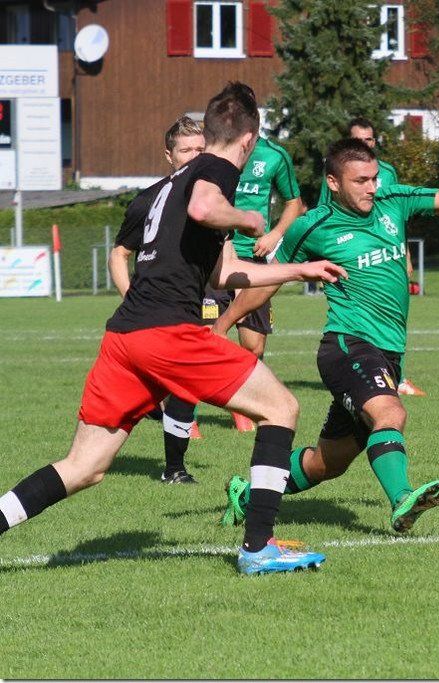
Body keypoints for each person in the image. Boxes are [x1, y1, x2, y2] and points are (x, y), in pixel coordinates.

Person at [0, 82, 345, 574]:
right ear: (249, 139)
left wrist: (299, 270)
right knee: (282, 408)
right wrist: (248, 217)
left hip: (125, 337)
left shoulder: (166, 186)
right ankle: (259, 547)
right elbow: (205, 209)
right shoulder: (216, 169)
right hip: (167, 333)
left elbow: (224, 274)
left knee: (83, 467)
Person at [212, 138, 439, 533]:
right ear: (334, 183)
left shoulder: (393, 200)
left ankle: (247, 495)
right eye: (360, 181)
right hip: (347, 345)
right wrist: (222, 325)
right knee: (391, 414)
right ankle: (402, 499)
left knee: (327, 463)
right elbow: (268, 280)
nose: (372, 187)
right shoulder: (312, 226)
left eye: (374, 178)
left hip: (389, 352)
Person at [108, 115, 206, 484]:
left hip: (195, 301)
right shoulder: (148, 200)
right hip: (155, 310)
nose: (194, 157)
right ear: (169, 155)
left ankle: (171, 460)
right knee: (184, 382)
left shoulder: (211, 198)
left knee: (184, 384)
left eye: (200, 150)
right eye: (186, 150)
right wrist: (132, 299)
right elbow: (119, 254)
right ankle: (174, 468)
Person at [205, 95, 306, 432]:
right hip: (216, 255)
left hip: (255, 258)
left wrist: (274, 234)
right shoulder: (216, 151)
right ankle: (184, 416)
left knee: (254, 344)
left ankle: (241, 400)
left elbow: (294, 203)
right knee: (207, 336)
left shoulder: (275, 156)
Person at [323, 116, 426, 397]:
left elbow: (396, 217)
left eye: (369, 139)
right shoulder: (335, 174)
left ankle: (396, 376)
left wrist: (405, 255)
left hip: (386, 254)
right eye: (359, 140)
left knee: (393, 311)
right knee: (358, 320)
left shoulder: (388, 172)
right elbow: (325, 213)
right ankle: (361, 371)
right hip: (350, 256)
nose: (371, 187)